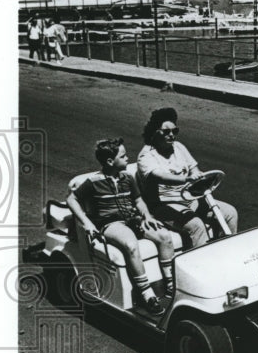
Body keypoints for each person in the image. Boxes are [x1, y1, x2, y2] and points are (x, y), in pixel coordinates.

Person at [66, 137, 175, 314]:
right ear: (110, 161)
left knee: (164, 236)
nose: (127, 158)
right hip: (111, 223)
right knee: (131, 245)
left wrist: (146, 216)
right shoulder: (93, 182)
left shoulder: (128, 178)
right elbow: (71, 199)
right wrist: (86, 223)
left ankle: (171, 285)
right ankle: (146, 294)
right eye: (123, 156)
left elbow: (138, 200)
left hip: (133, 219)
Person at [136, 107, 238, 247]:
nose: (172, 135)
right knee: (196, 225)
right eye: (166, 132)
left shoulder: (178, 147)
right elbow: (160, 176)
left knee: (230, 213)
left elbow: (194, 170)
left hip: (189, 199)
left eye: (175, 131)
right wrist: (186, 179)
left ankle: (228, 251)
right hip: (164, 206)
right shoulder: (146, 155)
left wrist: (202, 179)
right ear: (154, 132)